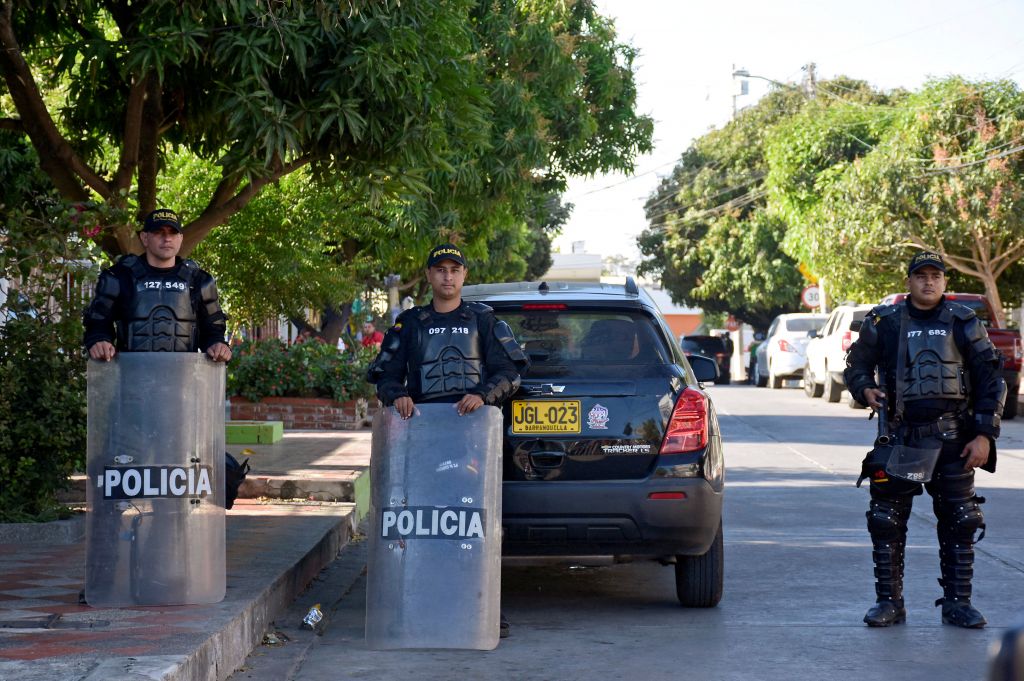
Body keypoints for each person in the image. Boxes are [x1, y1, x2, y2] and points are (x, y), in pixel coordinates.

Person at [366, 242, 527, 638]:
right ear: (429, 276)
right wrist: (396, 394)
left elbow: (512, 373)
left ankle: (482, 606)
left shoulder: (485, 320)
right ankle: (419, 601)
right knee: (426, 523)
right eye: (440, 269)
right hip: (421, 441)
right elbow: (384, 375)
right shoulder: (411, 322)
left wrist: (484, 395)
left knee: (474, 526)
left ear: (464, 275)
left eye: (455, 269)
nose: (448, 276)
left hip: (472, 441)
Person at [844, 250, 1006, 629]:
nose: (928, 282)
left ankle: (958, 604)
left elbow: (991, 381)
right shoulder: (885, 322)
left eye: (935, 276)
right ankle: (889, 603)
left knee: (961, 520)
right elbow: (856, 365)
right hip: (903, 438)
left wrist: (984, 435)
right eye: (921, 276)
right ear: (909, 281)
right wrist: (864, 389)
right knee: (885, 520)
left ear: (944, 281)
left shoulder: (964, 323)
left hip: (955, 440)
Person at [83, 208, 231, 363]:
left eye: (173, 233)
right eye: (159, 232)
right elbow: (98, 322)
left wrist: (217, 346)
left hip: (184, 380)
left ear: (180, 238)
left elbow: (213, 331)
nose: (167, 238)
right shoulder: (119, 277)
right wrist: (99, 340)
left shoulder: (199, 281)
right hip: (131, 378)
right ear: (144, 238)